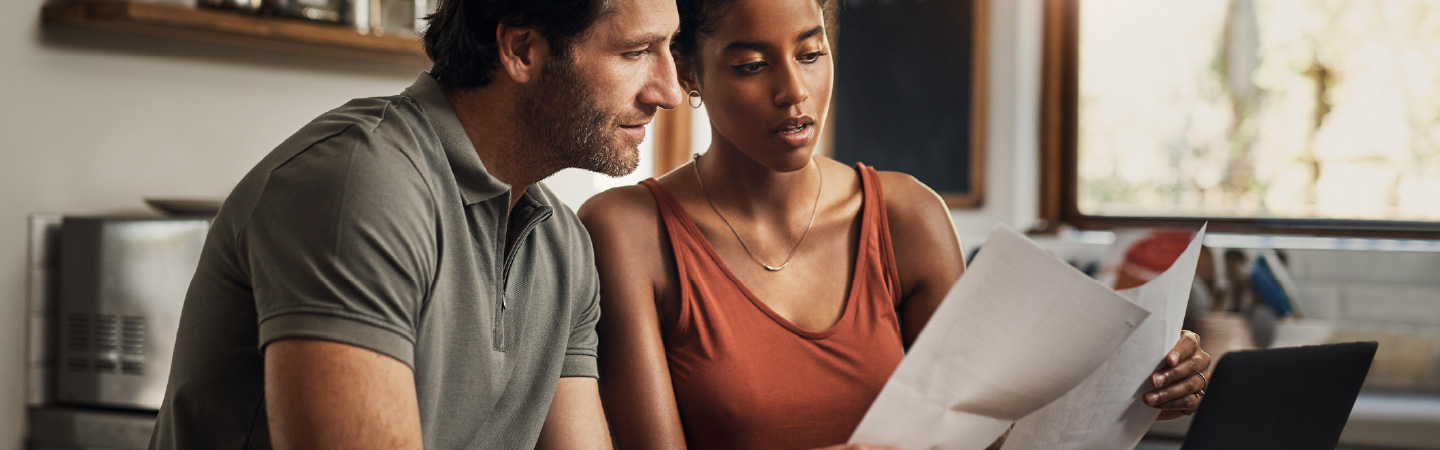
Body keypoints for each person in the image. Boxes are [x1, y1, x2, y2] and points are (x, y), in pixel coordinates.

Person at [577, 0, 1213, 448]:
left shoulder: (907, 216)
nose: (793, 91)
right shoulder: (628, 231)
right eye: (751, 65)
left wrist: (1135, 394)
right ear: (688, 72)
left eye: (811, 52)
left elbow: (985, 439)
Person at [147, 0, 683, 448]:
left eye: (669, 50)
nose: (668, 91)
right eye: (635, 53)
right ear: (522, 49)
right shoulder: (359, 183)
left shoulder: (561, 245)